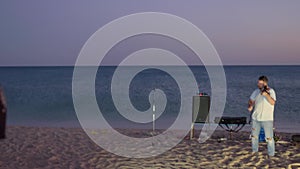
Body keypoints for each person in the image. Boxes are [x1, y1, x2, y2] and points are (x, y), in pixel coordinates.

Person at [248, 76, 276, 157]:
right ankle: (254, 151)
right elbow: (251, 100)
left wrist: (266, 95)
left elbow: (273, 102)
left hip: (267, 119)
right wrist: (250, 105)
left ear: (265, 83)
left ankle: (271, 154)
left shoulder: (271, 91)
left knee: (269, 138)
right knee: (254, 136)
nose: (258, 84)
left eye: (260, 83)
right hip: (256, 118)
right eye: (258, 83)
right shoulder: (256, 91)